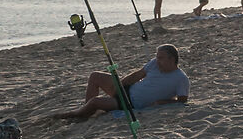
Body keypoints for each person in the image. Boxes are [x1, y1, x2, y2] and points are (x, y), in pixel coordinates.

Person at [49, 44, 189, 121]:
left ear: (171, 59)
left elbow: (182, 101)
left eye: (161, 58)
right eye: (157, 57)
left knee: (95, 102)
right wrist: (119, 86)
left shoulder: (181, 78)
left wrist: (163, 103)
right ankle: (86, 111)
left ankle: (76, 114)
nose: (157, 60)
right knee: (95, 76)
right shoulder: (154, 64)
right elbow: (137, 75)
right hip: (127, 89)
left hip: (130, 103)